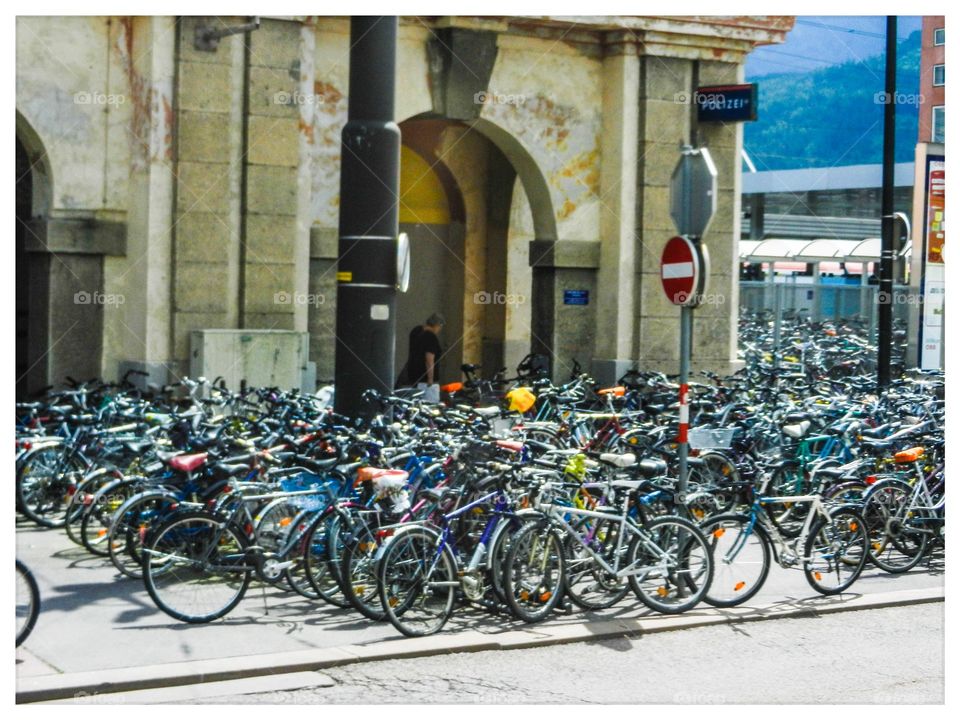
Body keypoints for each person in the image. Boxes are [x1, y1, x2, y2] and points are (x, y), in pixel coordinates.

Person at [404, 313, 444, 403]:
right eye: (440, 327)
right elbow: (429, 359)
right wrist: (431, 379)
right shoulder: (431, 337)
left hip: (413, 377)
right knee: (430, 407)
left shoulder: (416, 332)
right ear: (437, 325)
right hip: (425, 380)